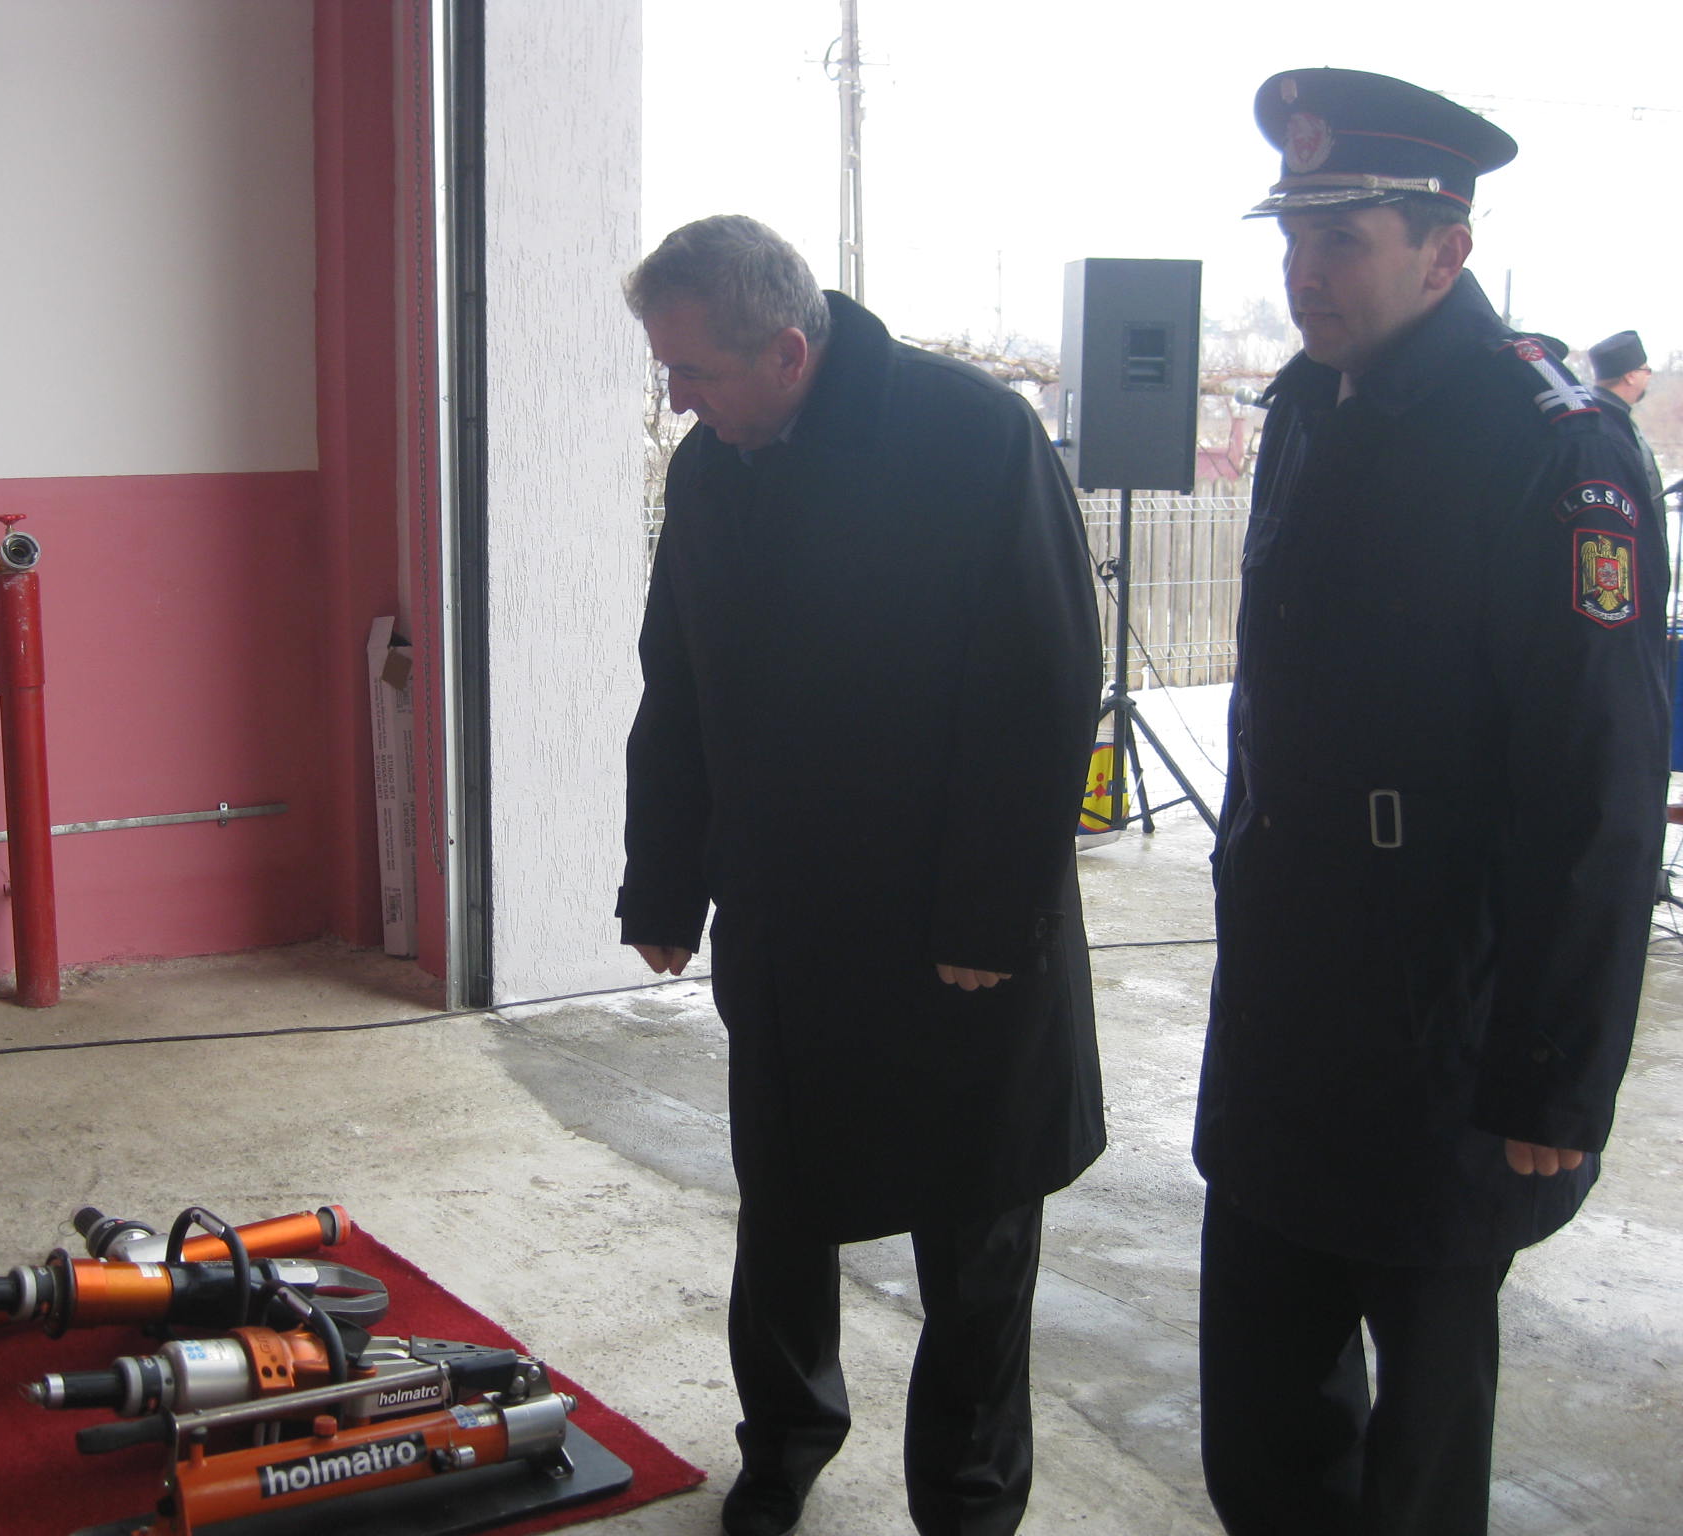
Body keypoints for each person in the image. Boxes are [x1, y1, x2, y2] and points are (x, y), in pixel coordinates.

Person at [1196, 69, 1671, 1536]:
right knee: (1259, 1424)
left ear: (1444, 250)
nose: (1304, 273)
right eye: (1293, 239)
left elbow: (1597, 784)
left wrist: (1553, 1073)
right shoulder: (1306, 407)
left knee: (1419, 1448)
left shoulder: (1549, 442)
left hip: (1438, 1027)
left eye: (1342, 241)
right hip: (1284, 1009)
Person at [616, 215, 1104, 1536]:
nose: (679, 401)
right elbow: (680, 682)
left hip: (955, 925)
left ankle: (968, 1496)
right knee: (784, 1208)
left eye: (695, 372)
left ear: (788, 352)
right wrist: (662, 882)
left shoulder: (972, 438)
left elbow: (1042, 683)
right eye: (667, 373)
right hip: (789, 917)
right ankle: (783, 1441)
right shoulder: (715, 467)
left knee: (973, 1228)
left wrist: (988, 915)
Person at [1587, 328, 1664, 506]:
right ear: (1630, 376)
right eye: (1646, 370)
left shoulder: (1610, 417)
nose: (1648, 377)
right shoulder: (1603, 425)